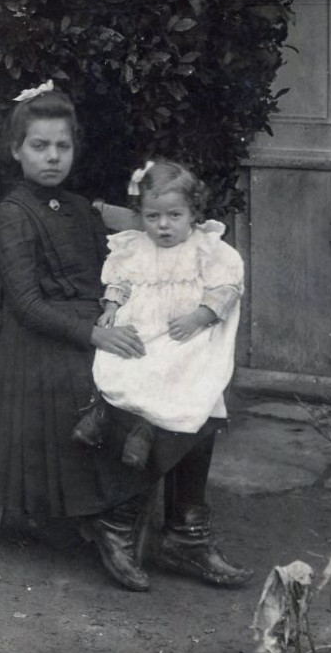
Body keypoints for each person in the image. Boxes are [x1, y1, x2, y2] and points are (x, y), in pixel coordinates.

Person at [0, 83, 251, 593]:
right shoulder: (12, 213)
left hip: (98, 323)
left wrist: (165, 216)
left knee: (194, 376)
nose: (52, 157)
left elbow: (144, 230)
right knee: (133, 385)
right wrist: (96, 334)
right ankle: (114, 520)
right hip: (43, 344)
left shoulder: (76, 207)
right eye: (39, 146)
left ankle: (185, 533)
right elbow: (26, 305)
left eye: (62, 147)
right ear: (16, 150)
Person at [76, 161, 244, 478]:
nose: (163, 226)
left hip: (181, 331)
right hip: (142, 326)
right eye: (153, 217)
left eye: (174, 216)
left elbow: (226, 288)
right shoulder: (135, 247)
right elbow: (120, 280)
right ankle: (104, 412)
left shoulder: (206, 248)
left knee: (174, 369)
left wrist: (200, 315)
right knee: (120, 360)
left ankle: (147, 430)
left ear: (193, 212)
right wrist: (111, 306)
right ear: (141, 215)